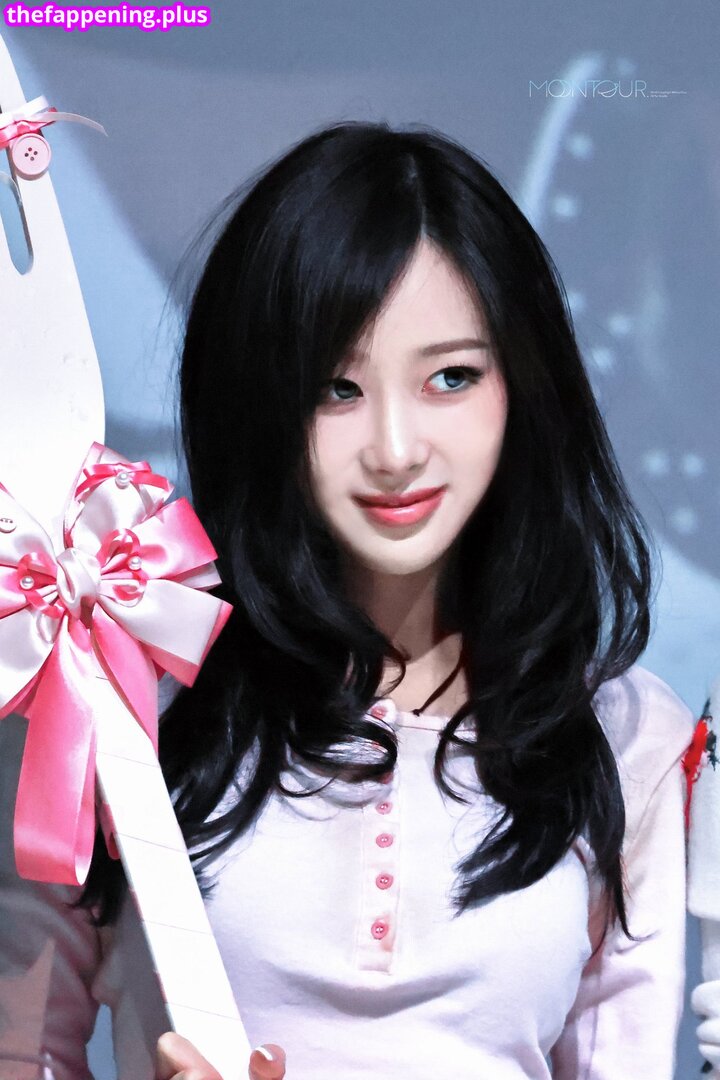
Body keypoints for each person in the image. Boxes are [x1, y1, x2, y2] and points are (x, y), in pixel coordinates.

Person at [0, 120, 694, 1079]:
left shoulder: (626, 738)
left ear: (523, 386)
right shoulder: (119, 689)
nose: (396, 449)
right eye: (337, 389)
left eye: (451, 377)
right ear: (258, 400)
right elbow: (20, 1048)